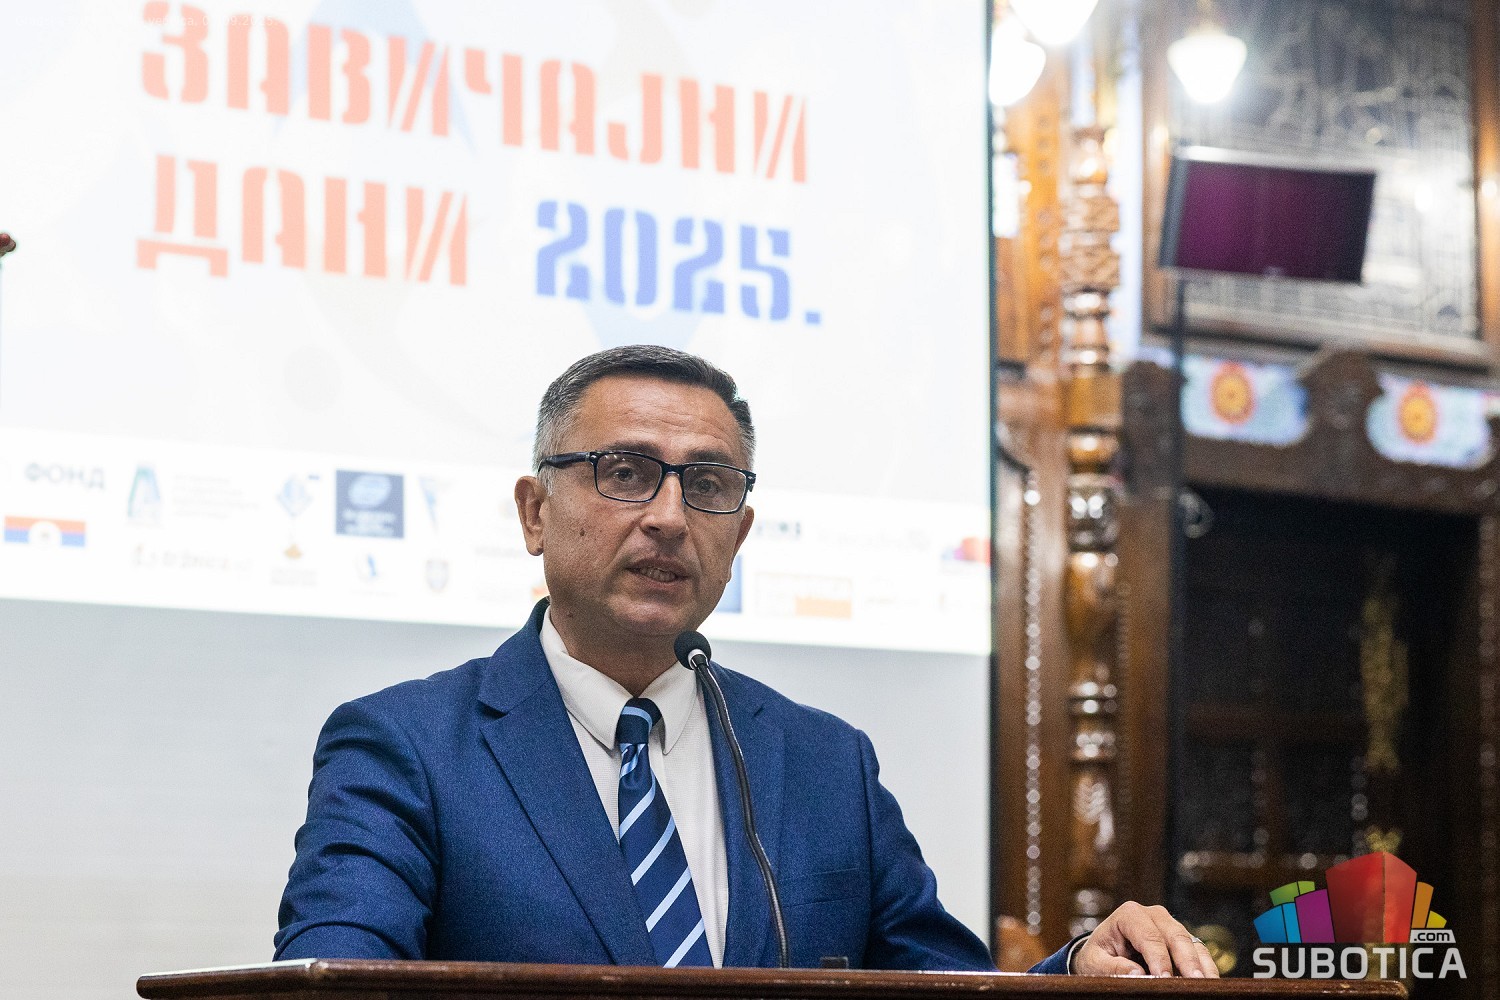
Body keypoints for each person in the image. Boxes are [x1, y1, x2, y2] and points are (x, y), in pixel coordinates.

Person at [275, 345, 1217, 977]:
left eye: (708, 484)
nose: (669, 518)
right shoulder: (406, 748)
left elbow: (947, 993)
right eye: (624, 472)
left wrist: (1079, 969)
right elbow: (331, 990)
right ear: (534, 512)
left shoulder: (825, 763)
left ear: (742, 531)